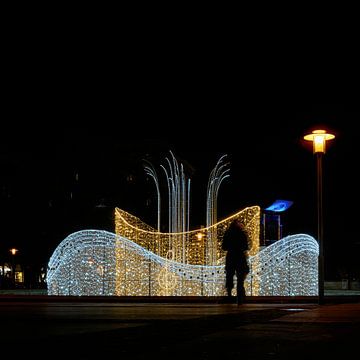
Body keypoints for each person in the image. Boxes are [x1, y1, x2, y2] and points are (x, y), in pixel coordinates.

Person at [222, 218, 250, 304]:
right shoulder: (242, 234)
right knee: (240, 278)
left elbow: (224, 247)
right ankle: (240, 298)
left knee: (229, 276)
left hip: (230, 256)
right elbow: (246, 247)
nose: (242, 224)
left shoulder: (227, 233)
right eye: (240, 223)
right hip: (240, 256)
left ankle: (229, 296)